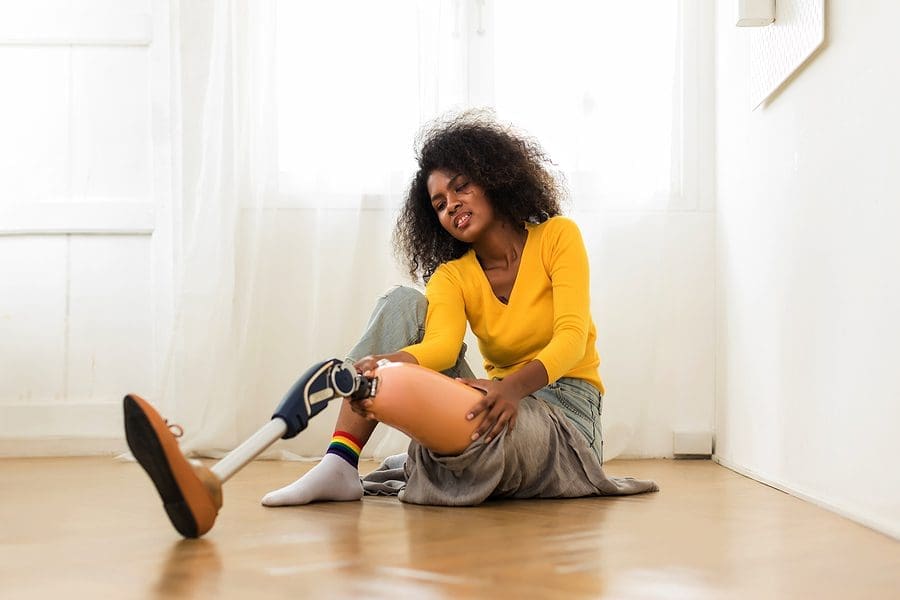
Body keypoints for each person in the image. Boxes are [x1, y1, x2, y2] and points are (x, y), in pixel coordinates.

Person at [260, 111, 657, 507]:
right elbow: (441, 350)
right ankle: (340, 464)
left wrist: (511, 389)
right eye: (439, 204)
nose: (451, 205)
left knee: (475, 444)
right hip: (494, 402)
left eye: (461, 187)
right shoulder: (451, 276)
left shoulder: (557, 236)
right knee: (403, 303)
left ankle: (443, 451)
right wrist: (386, 362)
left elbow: (571, 337)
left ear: (494, 179)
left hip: (566, 414)